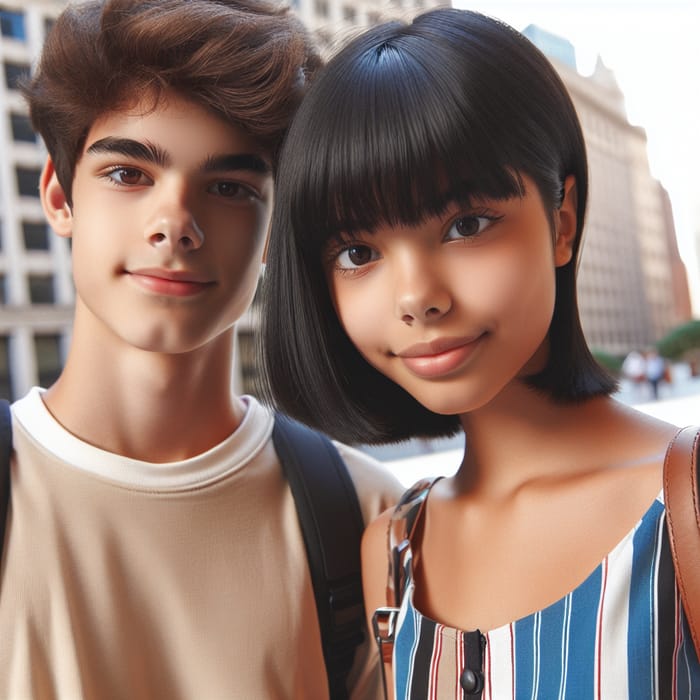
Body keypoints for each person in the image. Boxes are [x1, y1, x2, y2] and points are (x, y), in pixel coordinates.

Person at [259, 8, 700, 698]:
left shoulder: (687, 506)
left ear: (562, 221)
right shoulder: (393, 555)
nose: (417, 297)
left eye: (466, 224)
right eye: (358, 252)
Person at [1, 1, 402, 697]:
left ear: (275, 231)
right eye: (128, 173)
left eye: (229, 188)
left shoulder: (367, 518)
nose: (176, 223)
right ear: (59, 197)